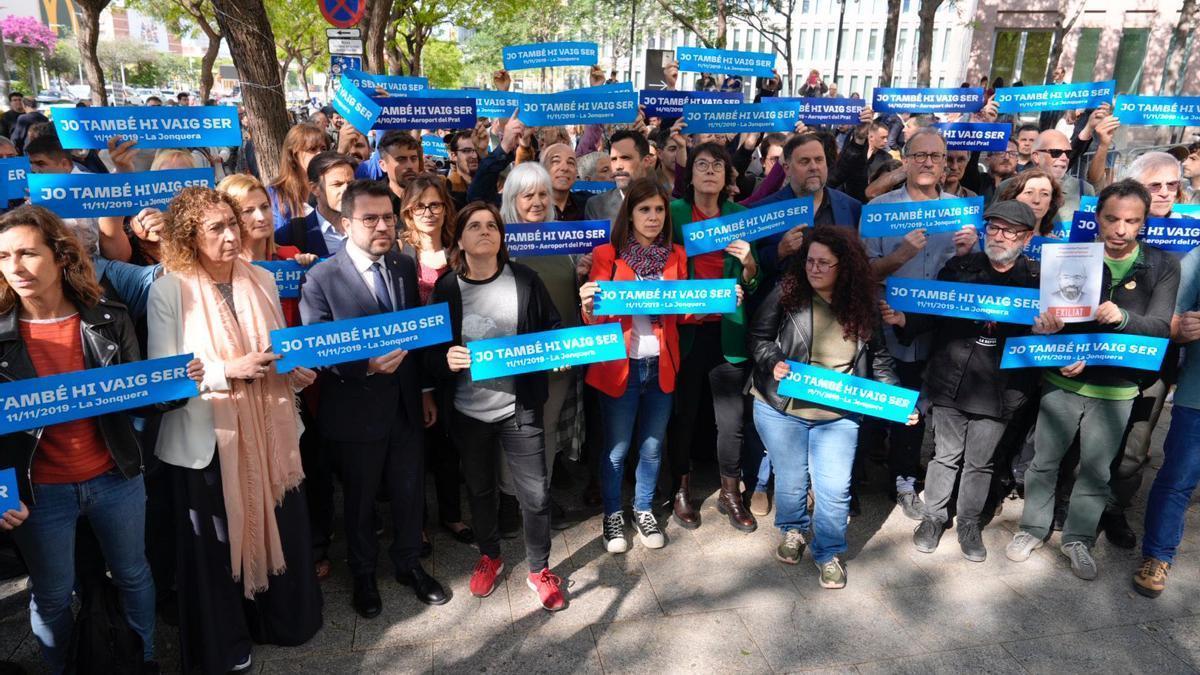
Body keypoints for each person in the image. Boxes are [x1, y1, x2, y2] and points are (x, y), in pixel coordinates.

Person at [0, 205, 191, 672]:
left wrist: (174, 385)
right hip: (38, 494)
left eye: (28, 253)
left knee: (133, 574)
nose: (15, 268)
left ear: (62, 256)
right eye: (4, 256)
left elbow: (135, 396)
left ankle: (140, 660)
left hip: (114, 478)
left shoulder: (108, 317)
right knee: (51, 594)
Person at [149, 187, 322, 673]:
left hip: (275, 437)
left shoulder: (263, 278)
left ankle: (281, 621)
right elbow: (167, 373)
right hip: (207, 444)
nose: (231, 235)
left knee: (284, 533)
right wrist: (230, 371)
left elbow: (277, 352)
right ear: (189, 237)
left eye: (232, 224)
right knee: (216, 552)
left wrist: (294, 371)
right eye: (215, 229)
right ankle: (227, 645)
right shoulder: (168, 289)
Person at [1006, 180, 1180, 581]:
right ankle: (1031, 529)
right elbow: (1053, 314)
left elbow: (1158, 328)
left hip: (1118, 387)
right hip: (1063, 380)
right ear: (1097, 217)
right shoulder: (1073, 256)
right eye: (1112, 219)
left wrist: (1122, 318)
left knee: (1097, 470)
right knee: (1044, 462)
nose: (1120, 229)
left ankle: (1078, 538)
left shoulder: (1163, 264)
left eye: (1132, 221)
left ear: (1144, 222)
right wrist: (1047, 329)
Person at [298, 180, 446, 617]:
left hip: (404, 406)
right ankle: (363, 574)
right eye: (370, 218)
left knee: (408, 490)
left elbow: (415, 338)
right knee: (360, 501)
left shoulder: (402, 265)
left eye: (388, 217)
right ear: (346, 224)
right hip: (355, 411)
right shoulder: (321, 277)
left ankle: (409, 565)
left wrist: (423, 391)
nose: (383, 226)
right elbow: (316, 347)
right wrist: (364, 366)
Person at [748, 225, 911, 589]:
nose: (814, 268)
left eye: (825, 263)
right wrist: (773, 360)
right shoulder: (787, 292)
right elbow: (758, 338)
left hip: (839, 412)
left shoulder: (862, 304)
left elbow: (880, 360)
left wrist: (899, 403)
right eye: (810, 261)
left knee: (835, 488)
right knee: (790, 482)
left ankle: (828, 551)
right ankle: (793, 531)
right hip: (781, 406)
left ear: (844, 266)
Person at [881, 201, 1042, 561]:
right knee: (944, 455)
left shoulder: (1037, 281)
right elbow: (932, 316)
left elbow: (1048, 341)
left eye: (1011, 231)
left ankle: (969, 521)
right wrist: (903, 320)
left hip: (1002, 388)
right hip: (952, 379)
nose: (1000, 237)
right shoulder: (959, 268)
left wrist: (1047, 330)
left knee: (980, 462)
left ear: (1027, 237)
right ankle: (934, 517)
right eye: (995, 228)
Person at [427, 201, 566, 611]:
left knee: (536, 492)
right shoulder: (446, 289)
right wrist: (444, 360)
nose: (485, 231)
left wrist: (553, 351)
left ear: (502, 237)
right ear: (460, 239)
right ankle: (490, 556)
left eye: (492, 225)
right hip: (469, 410)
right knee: (481, 490)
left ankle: (539, 569)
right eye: (474, 225)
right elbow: (432, 354)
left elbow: (552, 328)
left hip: (518, 406)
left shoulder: (525, 279)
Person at [863, 127, 978, 519]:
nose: (928, 162)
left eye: (937, 156)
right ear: (905, 161)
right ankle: (886, 478)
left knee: (927, 407)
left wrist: (968, 253)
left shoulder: (962, 212)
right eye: (919, 155)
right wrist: (900, 255)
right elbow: (866, 273)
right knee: (894, 405)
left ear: (947, 164)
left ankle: (909, 475)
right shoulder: (880, 211)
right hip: (892, 327)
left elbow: (975, 277)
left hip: (943, 331)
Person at [579, 178, 688, 553]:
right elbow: (595, 317)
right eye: (645, 210)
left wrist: (721, 298)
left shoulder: (676, 255)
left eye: (659, 209)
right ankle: (613, 515)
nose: (653, 217)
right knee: (617, 449)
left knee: (653, 447)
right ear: (630, 214)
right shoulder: (607, 255)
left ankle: (643, 509)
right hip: (620, 366)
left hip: (661, 365)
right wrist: (588, 304)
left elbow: (685, 311)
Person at [1097, 152, 1190, 549]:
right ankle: (1077, 505)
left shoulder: (1193, 234)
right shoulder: (1104, 231)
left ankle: (1114, 509)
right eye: (1156, 185)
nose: (1166, 192)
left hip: (1160, 359)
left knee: (1135, 446)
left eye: (1173, 184)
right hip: (1101, 352)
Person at [667, 141, 761, 532]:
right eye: (702, 164)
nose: (709, 171)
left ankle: (730, 493)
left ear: (727, 177)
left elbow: (753, 283)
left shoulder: (740, 216)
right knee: (683, 415)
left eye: (717, 166)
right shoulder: (673, 213)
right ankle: (681, 490)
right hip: (686, 331)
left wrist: (749, 264)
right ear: (690, 175)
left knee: (732, 420)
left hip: (727, 334)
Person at [499, 162, 583, 530]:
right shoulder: (502, 239)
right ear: (512, 199)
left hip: (562, 355)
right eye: (527, 194)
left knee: (547, 429)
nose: (536, 201)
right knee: (518, 431)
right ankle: (512, 499)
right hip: (519, 357)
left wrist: (584, 272)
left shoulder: (565, 238)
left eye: (543, 193)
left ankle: (540, 497)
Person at [396, 174, 472, 546]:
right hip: (412, 366)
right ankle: (418, 523)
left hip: (457, 360)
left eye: (435, 204)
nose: (428, 212)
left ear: (446, 207)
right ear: (408, 212)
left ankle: (453, 515)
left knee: (449, 443)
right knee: (415, 449)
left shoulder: (461, 251)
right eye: (419, 206)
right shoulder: (398, 256)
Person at [1135, 232, 1200, 597]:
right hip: (1197, 395)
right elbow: (1171, 323)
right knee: (1178, 479)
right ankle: (1157, 556)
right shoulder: (1199, 258)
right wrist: (1184, 330)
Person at [757, 132, 864, 282]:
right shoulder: (762, 210)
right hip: (781, 301)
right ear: (787, 168)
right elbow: (750, 267)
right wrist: (779, 251)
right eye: (804, 161)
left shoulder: (852, 208)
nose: (814, 167)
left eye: (819, 160)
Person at [275, 151, 357, 258]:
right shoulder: (289, 236)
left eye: (351, 184)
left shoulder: (371, 226)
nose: (346, 190)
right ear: (314, 189)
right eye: (337, 184)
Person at [585, 130, 657, 223]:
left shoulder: (666, 203)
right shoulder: (597, 206)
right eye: (613, 159)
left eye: (626, 158)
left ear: (646, 161)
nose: (618, 166)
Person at [266, 123, 329, 230]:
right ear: (294, 155)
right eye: (312, 149)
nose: (320, 154)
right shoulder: (275, 194)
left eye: (323, 149)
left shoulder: (331, 188)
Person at [997, 168, 1064, 236]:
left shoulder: (1052, 244)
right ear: (1013, 197)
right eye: (1029, 192)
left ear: (1051, 202)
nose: (1036, 200)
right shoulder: (995, 237)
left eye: (1044, 194)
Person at [445, 130, 481, 209]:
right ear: (454, 156)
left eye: (476, 150)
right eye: (467, 151)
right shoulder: (447, 189)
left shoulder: (491, 184)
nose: (474, 156)